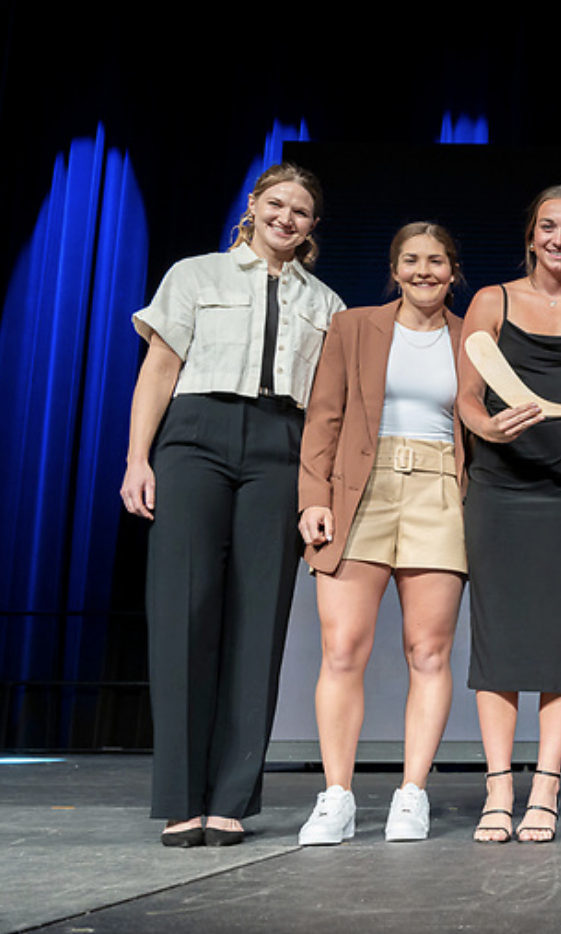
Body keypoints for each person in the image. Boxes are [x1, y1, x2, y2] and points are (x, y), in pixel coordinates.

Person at [121, 163, 345, 846]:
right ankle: (182, 797)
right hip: (196, 438)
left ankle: (230, 799)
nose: (286, 218)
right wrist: (138, 458)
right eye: (276, 204)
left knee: (259, 617)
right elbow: (160, 366)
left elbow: (328, 408)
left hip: (281, 444)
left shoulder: (327, 303)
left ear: (312, 226)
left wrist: (319, 490)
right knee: (183, 609)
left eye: (301, 211)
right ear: (252, 206)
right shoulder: (196, 275)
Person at [293, 223, 470, 845]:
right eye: (412, 261)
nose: (425, 271)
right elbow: (324, 416)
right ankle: (336, 795)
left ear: (454, 271)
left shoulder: (472, 335)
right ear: (394, 269)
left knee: (429, 651)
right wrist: (312, 498)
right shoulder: (354, 326)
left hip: (437, 490)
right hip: (358, 488)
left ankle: (412, 793)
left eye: (437, 262)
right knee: (343, 648)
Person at [458, 185, 561, 844]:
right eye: (547, 226)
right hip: (498, 487)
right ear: (531, 235)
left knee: (559, 637)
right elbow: (465, 399)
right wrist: (490, 431)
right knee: (497, 638)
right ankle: (499, 785)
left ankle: (546, 786)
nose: (558, 238)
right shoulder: (491, 300)